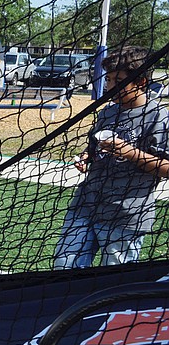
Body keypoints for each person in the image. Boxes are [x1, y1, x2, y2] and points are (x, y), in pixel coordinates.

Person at [53, 46, 169, 269]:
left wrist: (129, 152)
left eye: (118, 80)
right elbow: (93, 149)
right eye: (108, 79)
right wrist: (85, 157)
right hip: (86, 205)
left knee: (112, 283)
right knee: (64, 269)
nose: (110, 86)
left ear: (141, 83)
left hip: (125, 216)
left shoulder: (159, 117)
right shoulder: (107, 111)